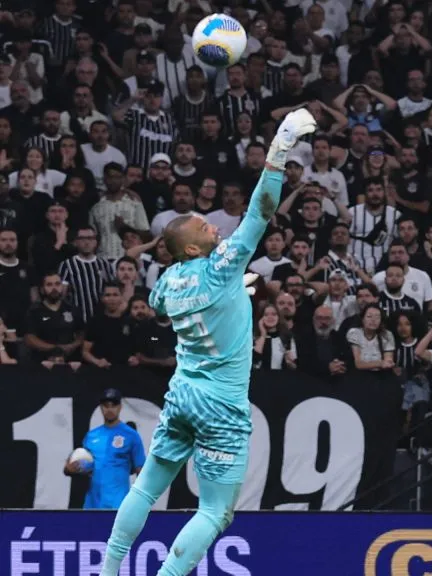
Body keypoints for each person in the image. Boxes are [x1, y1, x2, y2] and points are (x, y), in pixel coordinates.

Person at [98, 109, 317, 576]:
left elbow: (170, 299)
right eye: (203, 227)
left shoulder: (167, 283)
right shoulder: (221, 266)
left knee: (146, 489)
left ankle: (108, 570)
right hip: (220, 404)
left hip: (181, 397)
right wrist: (278, 152)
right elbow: (262, 211)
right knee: (216, 511)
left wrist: (236, 291)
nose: (214, 225)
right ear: (195, 248)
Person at [64, 388, 145, 509]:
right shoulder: (91, 436)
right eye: (106, 405)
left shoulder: (131, 435)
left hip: (119, 504)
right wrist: (70, 469)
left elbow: (141, 471)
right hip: (92, 505)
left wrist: (141, 503)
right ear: (101, 407)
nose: (110, 409)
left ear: (120, 407)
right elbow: (78, 465)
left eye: (113, 405)